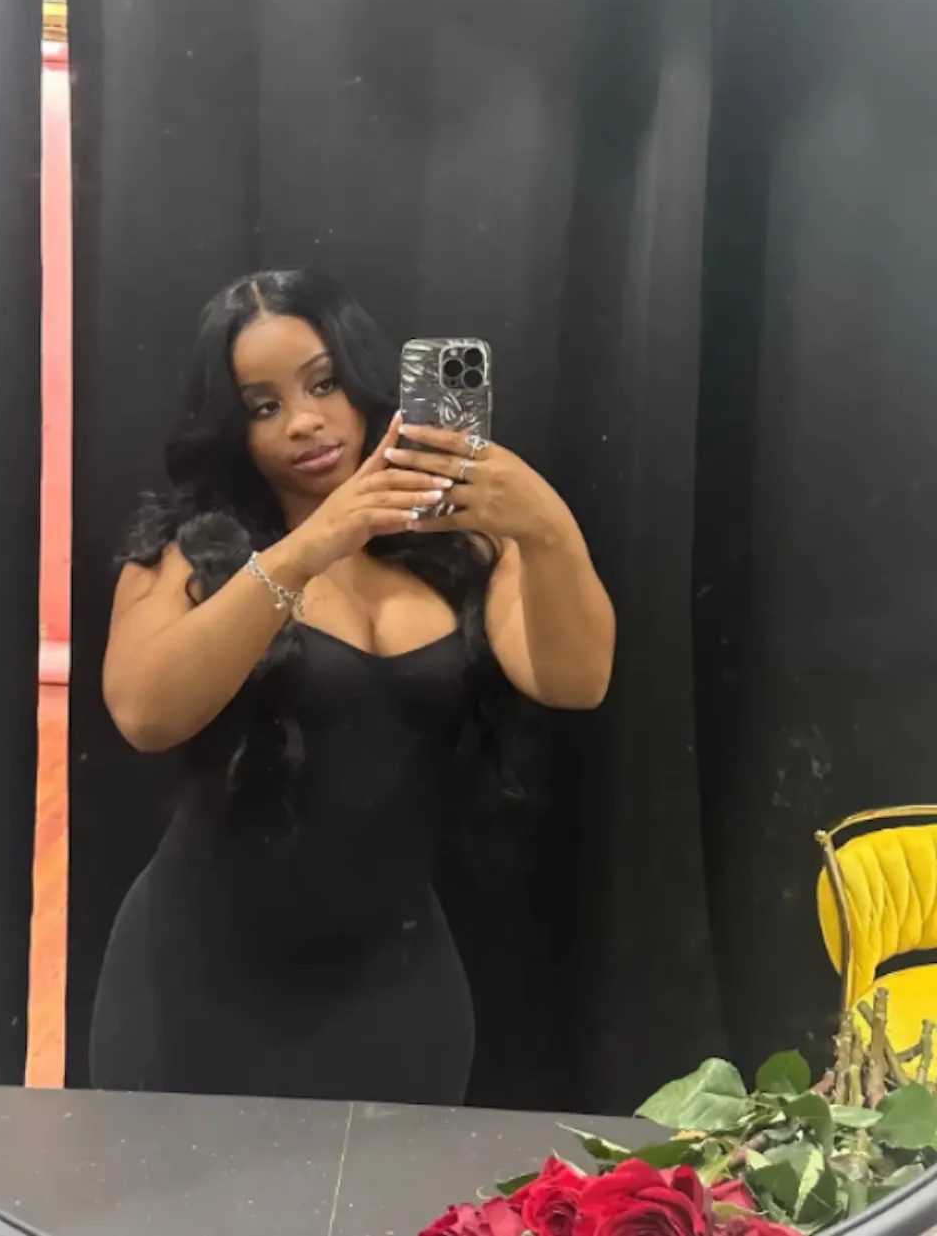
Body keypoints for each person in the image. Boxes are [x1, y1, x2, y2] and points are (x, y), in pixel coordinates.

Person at [89, 268, 615, 1101]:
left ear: (365, 381)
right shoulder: (192, 551)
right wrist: (312, 545)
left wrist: (546, 526)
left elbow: (574, 679)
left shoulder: (468, 549)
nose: (304, 420)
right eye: (263, 405)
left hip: (394, 985)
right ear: (232, 427)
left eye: (324, 383)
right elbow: (145, 712)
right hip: (197, 984)